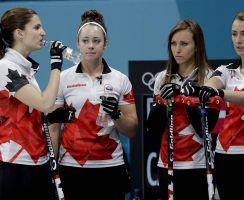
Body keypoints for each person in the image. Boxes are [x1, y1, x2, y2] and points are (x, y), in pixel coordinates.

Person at [49, 9, 138, 200]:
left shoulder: (120, 79)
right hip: (71, 167)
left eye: (96, 41)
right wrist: (51, 166)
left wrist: (117, 115)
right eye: (85, 41)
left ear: (105, 44)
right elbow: (54, 128)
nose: (91, 46)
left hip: (110, 167)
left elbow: (131, 130)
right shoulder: (63, 78)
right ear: (77, 43)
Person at [183, 10, 244, 200]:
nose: (238, 40)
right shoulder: (225, 70)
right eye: (234, 33)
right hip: (225, 155)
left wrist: (220, 94)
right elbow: (210, 86)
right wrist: (194, 90)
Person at [0, 7, 74, 200]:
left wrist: (50, 116)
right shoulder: (5, 66)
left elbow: (33, 108)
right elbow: (45, 102)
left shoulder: (23, 67)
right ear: (20, 33)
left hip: (36, 160)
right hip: (15, 163)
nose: (43, 32)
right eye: (37, 27)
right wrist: (56, 64)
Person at [149, 19, 214, 200]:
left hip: (199, 164)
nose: (177, 49)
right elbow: (153, 129)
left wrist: (185, 97)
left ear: (197, 46)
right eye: (173, 44)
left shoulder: (210, 77)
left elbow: (208, 130)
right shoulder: (162, 78)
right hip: (167, 163)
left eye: (184, 44)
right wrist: (162, 103)